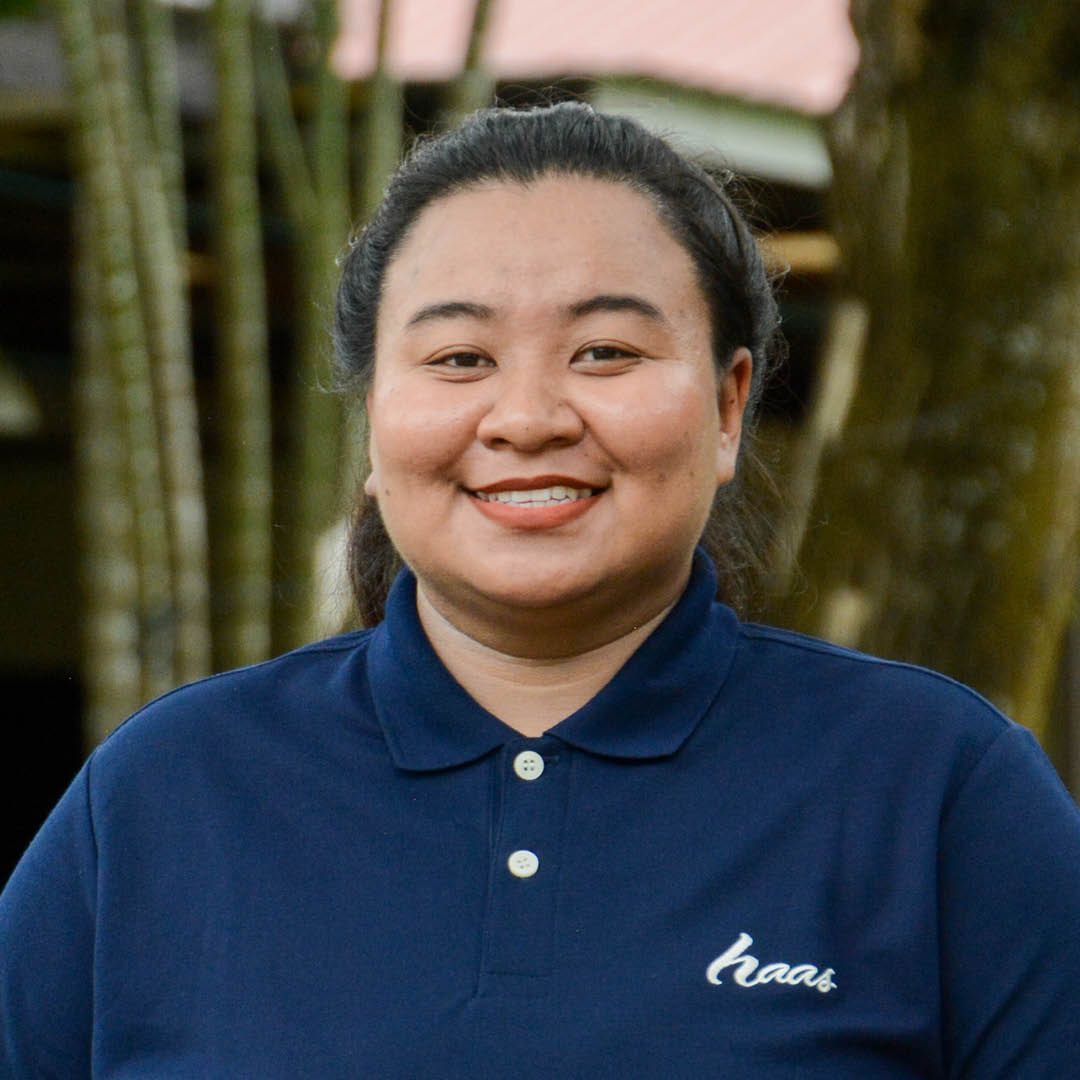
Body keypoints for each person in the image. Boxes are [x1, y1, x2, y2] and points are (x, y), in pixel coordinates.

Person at [2, 102, 1079, 1078]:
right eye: (460, 358)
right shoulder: (166, 796)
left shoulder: (939, 789)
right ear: (374, 421)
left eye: (604, 351)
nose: (527, 417)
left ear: (727, 408)